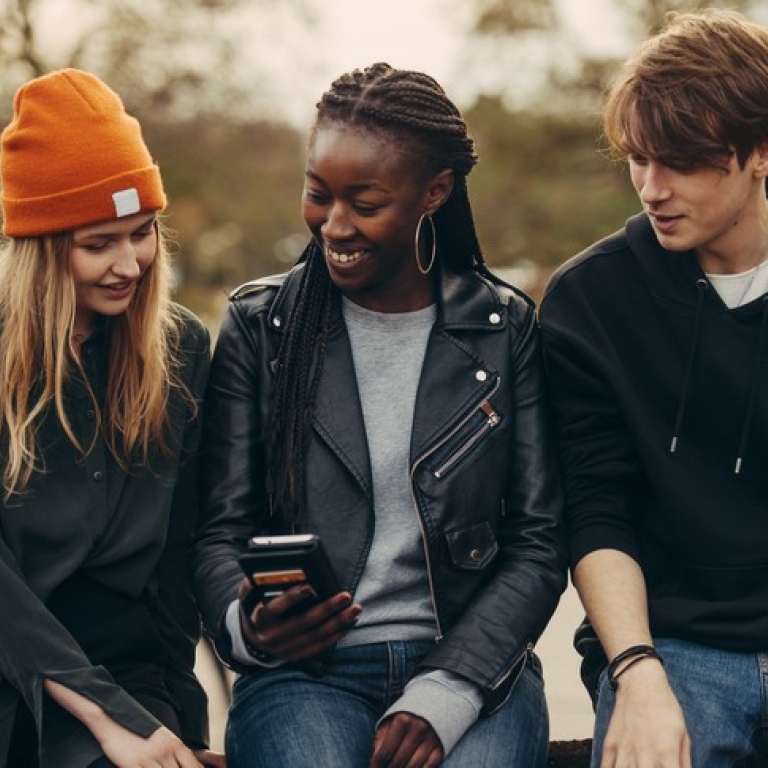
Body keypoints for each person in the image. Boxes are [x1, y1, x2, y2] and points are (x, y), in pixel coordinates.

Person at [192, 62, 566, 767]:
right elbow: (218, 530)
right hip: (306, 678)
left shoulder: (502, 325)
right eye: (318, 195)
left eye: (364, 202)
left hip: (472, 667)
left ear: (435, 191)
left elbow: (539, 541)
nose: (334, 225)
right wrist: (253, 626)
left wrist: (450, 689)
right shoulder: (260, 325)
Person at [539, 9, 768, 767]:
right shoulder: (592, 303)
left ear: (759, 152)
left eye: (682, 162)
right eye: (638, 158)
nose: (651, 187)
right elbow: (597, 512)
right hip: (674, 646)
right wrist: (635, 674)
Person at [0, 69, 223, 767]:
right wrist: (109, 718)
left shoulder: (180, 349)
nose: (130, 263)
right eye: (99, 242)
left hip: (129, 667)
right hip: (17, 658)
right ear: (41, 247)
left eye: (143, 232)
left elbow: (176, 563)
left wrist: (174, 718)